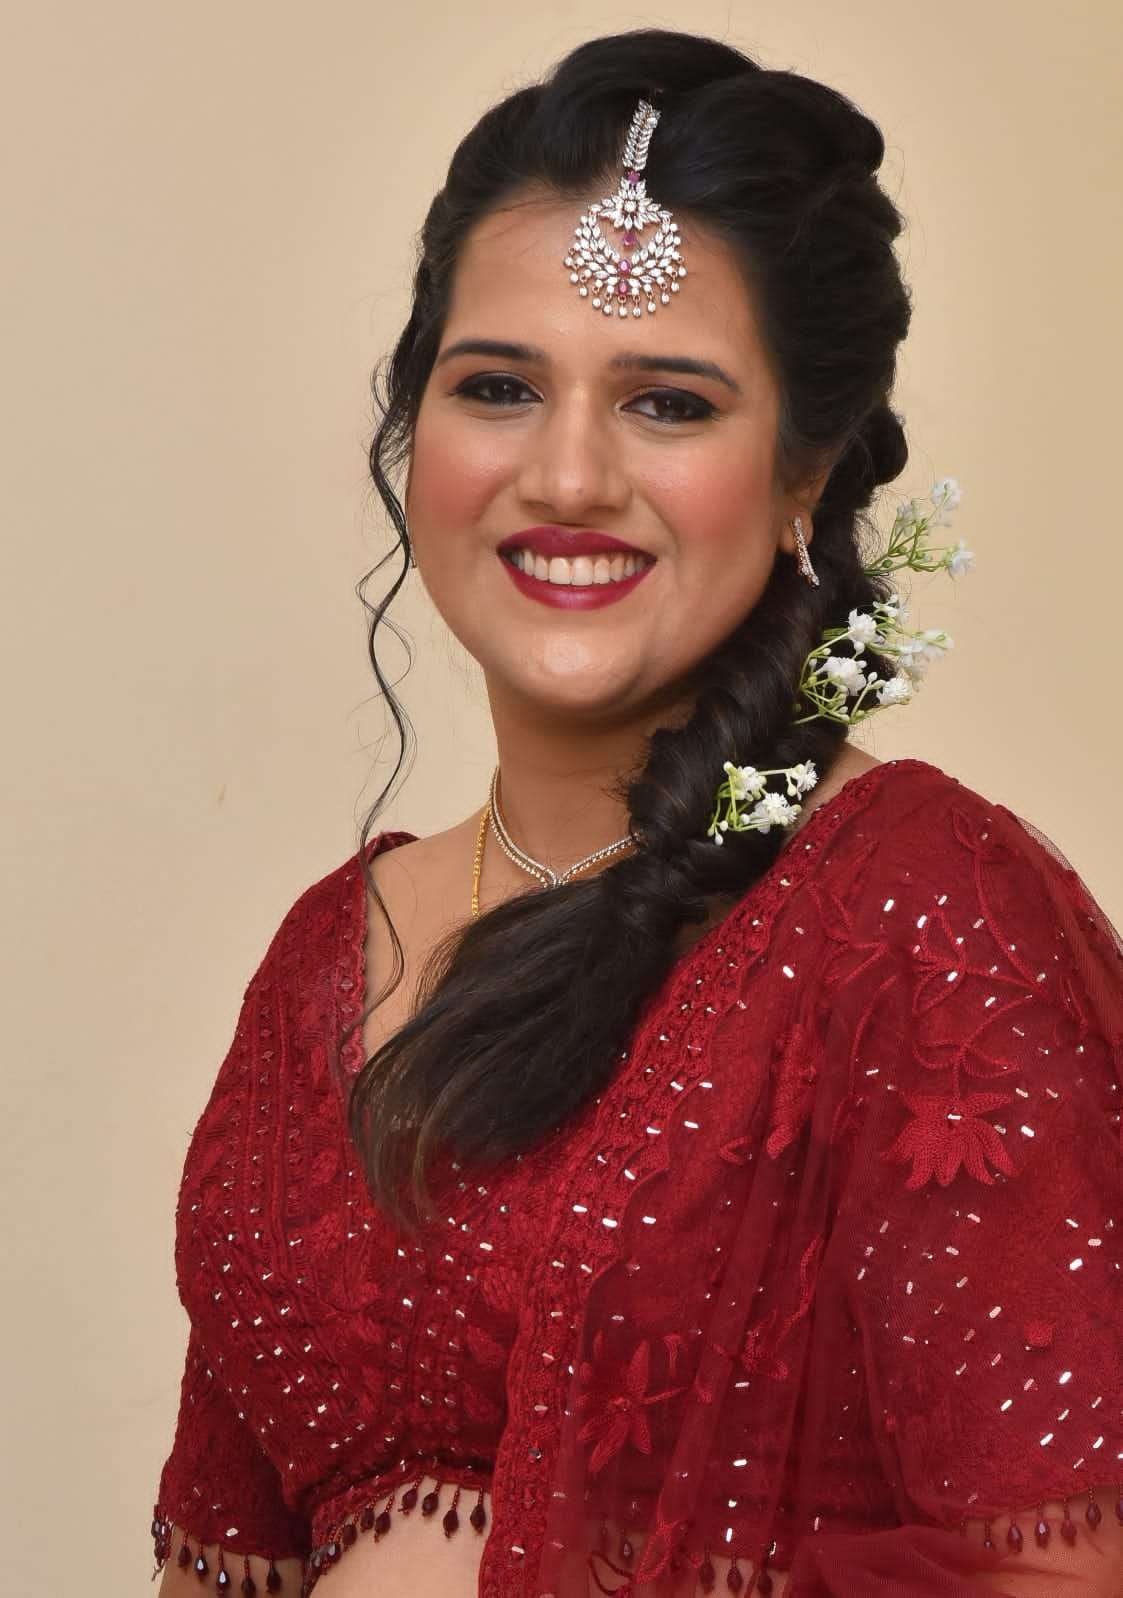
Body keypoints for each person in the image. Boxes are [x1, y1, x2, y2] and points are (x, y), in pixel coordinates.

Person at [149, 28, 1123, 1598]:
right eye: (498, 387)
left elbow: (1059, 1566)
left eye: (668, 402)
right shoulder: (325, 957)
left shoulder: (909, 911)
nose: (568, 474)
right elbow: (230, 1555)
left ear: (803, 473)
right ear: (414, 433)